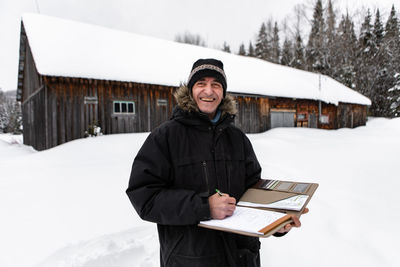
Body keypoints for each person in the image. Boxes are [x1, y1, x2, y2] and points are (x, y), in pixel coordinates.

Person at [126, 58, 305, 267]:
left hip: (242, 258)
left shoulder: (237, 138)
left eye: (216, 85)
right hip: (190, 260)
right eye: (201, 83)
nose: (208, 91)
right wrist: (204, 207)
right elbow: (145, 197)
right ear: (191, 90)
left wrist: (277, 221)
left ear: (223, 92)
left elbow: (252, 191)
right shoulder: (165, 137)